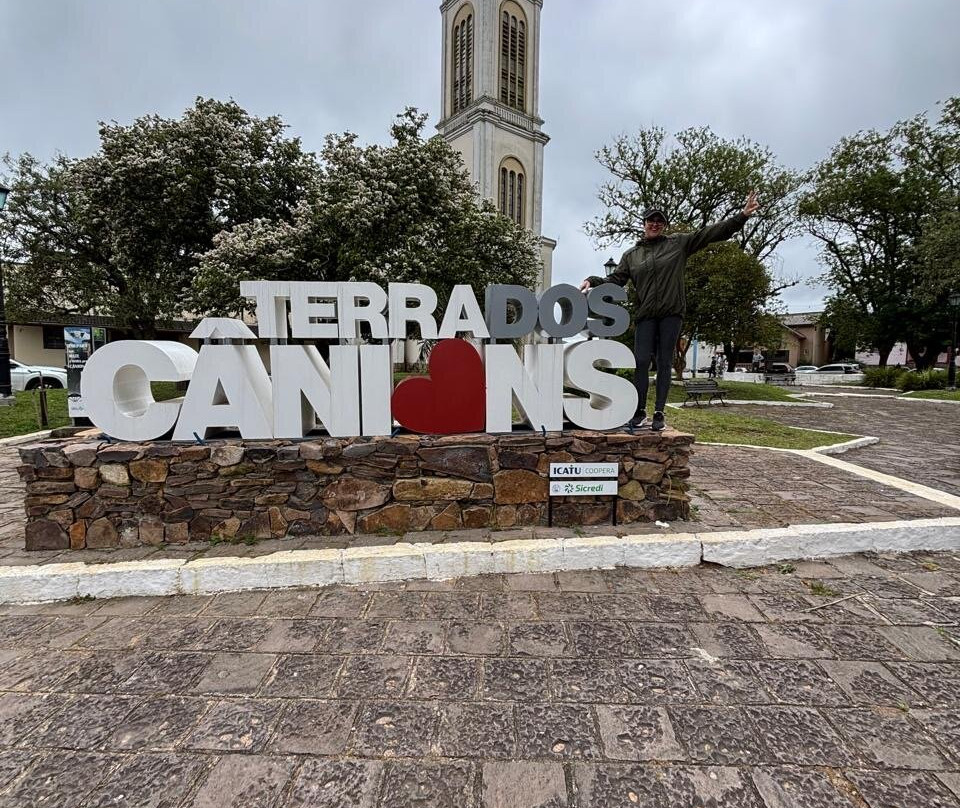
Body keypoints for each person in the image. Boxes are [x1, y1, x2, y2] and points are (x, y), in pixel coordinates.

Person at [580, 191, 759, 430]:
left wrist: (742, 216)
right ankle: (640, 410)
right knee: (642, 361)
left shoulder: (678, 243)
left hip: (671, 313)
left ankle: (659, 413)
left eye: (659, 221)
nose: (655, 224)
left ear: (664, 225)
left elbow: (711, 234)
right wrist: (593, 280)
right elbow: (617, 279)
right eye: (651, 220)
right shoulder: (632, 256)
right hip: (645, 314)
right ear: (644, 224)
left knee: (665, 361)